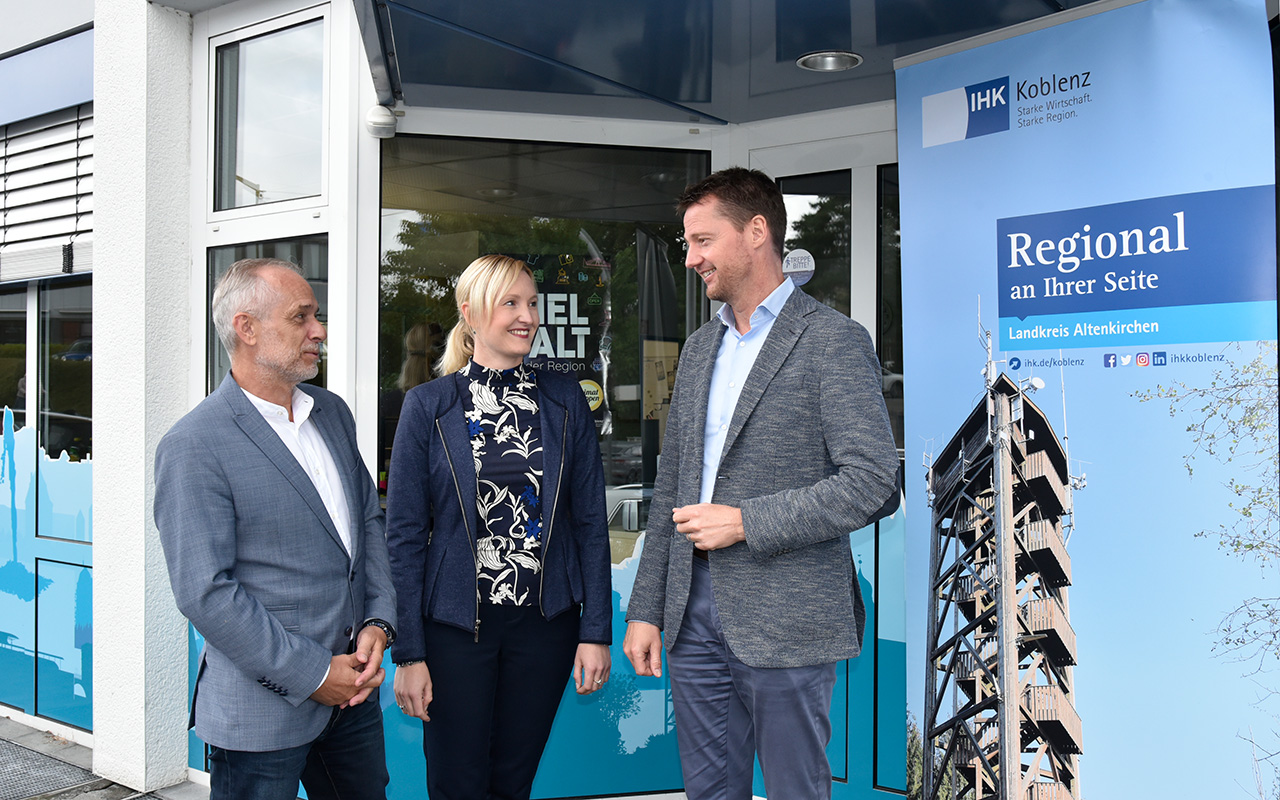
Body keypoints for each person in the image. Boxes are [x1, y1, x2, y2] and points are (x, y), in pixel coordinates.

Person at [623, 168, 900, 800]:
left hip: (790, 619)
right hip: (690, 620)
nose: (690, 258)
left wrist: (746, 521)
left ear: (756, 231)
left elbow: (874, 480)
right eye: (686, 243)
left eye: (702, 240)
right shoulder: (698, 349)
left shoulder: (833, 341)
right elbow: (671, 487)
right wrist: (645, 610)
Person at [154, 258, 397, 800]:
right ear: (247, 328)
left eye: (318, 316)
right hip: (261, 716)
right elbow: (205, 592)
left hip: (355, 698)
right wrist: (314, 675)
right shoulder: (195, 444)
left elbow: (366, 522)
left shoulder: (331, 413)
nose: (320, 331)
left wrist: (379, 622)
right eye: (301, 317)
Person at [387, 254, 612, 800]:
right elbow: (405, 536)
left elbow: (588, 523)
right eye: (510, 302)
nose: (526, 316)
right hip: (455, 629)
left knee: (513, 782)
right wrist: (410, 653)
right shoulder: (428, 405)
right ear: (470, 311)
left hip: (545, 626)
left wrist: (595, 632)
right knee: (456, 783)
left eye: (531, 304)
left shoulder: (564, 401)